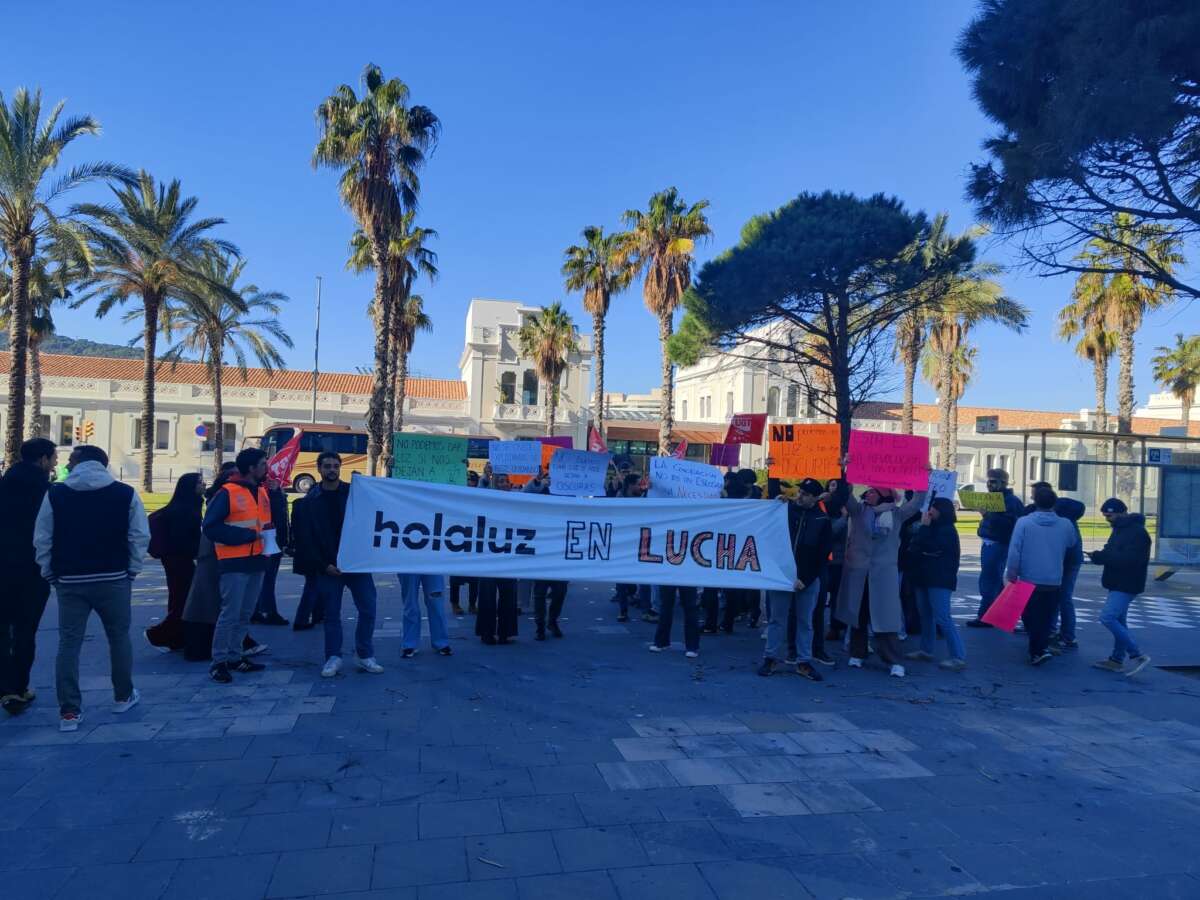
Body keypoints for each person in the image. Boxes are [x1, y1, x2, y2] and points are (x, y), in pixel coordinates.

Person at [33, 445, 149, 731]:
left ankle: (69, 711)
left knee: (68, 643)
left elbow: (43, 537)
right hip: (113, 577)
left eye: (71, 459)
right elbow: (138, 535)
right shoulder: (124, 493)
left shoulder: (56, 493)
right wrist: (132, 569)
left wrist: (49, 571)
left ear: (79, 462)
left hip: (70, 579)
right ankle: (123, 695)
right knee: (119, 638)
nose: (66, 463)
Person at [293, 451, 384, 676]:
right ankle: (333, 656)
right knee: (331, 614)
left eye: (335, 465)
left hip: (356, 565)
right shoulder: (309, 502)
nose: (331, 470)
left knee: (369, 610)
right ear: (319, 469)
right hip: (328, 567)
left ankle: (365, 654)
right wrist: (324, 565)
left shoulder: (354, 494)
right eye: (327, 466)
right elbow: (307, 539)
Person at [833, 482, 925, 678]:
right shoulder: (858, 511)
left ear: (885, 496)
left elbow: (917, 502)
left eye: (874, 492)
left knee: (886, 619)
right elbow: (845, 495)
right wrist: (845, 474)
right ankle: (857, 653)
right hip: (859, 571)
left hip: (883, 573)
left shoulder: (897, 514)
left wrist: (922, 479)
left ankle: (893, 660)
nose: (869, 494)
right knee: (858, 614)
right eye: (869, 491)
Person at [202, 447, 276, 683]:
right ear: (251, 468)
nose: (267, 468)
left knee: (244, 614)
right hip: (234, 561)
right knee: (230, 614)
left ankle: (235, 656)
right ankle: (219, 662)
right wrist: (247, 536)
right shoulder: (227, 492)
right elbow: (210, 527)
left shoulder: (262, 492)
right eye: (263, 464)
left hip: (257, 560)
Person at [0, 437, 56, 715]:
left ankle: (6, 684)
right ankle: (17, 687)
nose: (55, 463)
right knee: (25, 629)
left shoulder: (5, 483)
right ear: (44, 459)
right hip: (32, 568)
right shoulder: (46, 491)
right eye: (53, 458)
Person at [760, 478, 832, 681]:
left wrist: (806, 579)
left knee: (805, 621)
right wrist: (777, 499)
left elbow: (823, 554)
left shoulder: (822, 520)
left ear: (816, 498)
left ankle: (803, 661)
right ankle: (770, 657)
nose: (800, 496)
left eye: (806, 494)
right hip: (782, 576)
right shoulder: (786, 509)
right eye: (800, 492)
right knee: (776, 619)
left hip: (806, 579)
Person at [1004, 486, 1078, 666]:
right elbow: (1071, 542)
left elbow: (1015, 550)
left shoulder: (1024, 522)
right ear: (1055, 503)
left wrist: (1011, 574)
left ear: (1035, 502)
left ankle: (1037, 649)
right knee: (1046, 616)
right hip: (1053, 577)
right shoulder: (1065, 524)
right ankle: (1039, 647)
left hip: (1029, 576)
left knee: (1030, 615)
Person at [1089, 498, 1152, 676]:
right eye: (1105, 516)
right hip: (1118, 581)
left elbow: (1129, 560)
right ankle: (1116, 660)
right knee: (1119, 621)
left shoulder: (1138, 533)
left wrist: (1103, 557)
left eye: (1109, 515)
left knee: (1107, 617)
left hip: (1127, 583)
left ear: (1121, 513)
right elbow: (1111, 551)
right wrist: (1098, 556)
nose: (1107, 519)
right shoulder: (1119, 529)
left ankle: (1137, 654)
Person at [145, 473, 204, 652]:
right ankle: (160, 634)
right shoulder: (184, 509)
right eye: (200, 483)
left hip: (177, 558)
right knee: (183, 597)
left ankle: (176, 636)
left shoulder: (189, 504)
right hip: (178, 558)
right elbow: (182, 537)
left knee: (180, 596)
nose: (203, 485)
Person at [905, 497, 966, 671]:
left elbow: (931, 547)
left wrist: (924, 528)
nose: (930, 511)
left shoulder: (946, 530)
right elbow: (915, 546)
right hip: (924, 576)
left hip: (939, 579)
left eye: (933, 508)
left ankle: (958, 656)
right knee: (925, 615)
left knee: (943, 617)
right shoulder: (932, 527)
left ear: (942, 511)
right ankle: (926, 649)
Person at [968, 468, 1025, 627]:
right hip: (990, 542)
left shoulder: (1011, 501)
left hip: (998, 543)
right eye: (988, 480)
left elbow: (1010, 524)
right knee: (995, 581)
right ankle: (997, 616)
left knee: (989, 580)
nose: (989, 484)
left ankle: (985, 617)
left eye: (993, 481)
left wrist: (987, 515)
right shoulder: (997, 498)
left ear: (1003, 483)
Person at [476, 474, 520, 645]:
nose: (503, 485)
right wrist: (485, 477)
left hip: (509, 556)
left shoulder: (517, 502)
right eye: (500, 482)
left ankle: (505, 632)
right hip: (488, 556)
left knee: (509, 595)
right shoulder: (486, 500)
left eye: (506, 482)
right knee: (487, 595)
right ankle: (486, 633)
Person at [251, 477, 291, 626]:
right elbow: (276, 516)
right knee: (268, 579)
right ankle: (268, 611)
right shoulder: (264, 492)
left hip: (271, 539)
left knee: (264, 578)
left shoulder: (264, 490)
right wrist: (276, 494)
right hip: (269, 539)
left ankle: (257, 610)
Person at [1051, 495, 1086, 650]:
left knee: (1063, 598)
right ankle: (1065, 633)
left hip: (1066, 564)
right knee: (1062, 598)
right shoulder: (1070, 524)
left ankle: (1068, 635)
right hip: (1070, 563)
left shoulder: (1065, 525)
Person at [398, 572, 452, 658]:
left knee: (436, 603)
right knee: (410, 604)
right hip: (408, 563)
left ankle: (441, 642)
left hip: (432, 563)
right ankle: (409, 644)